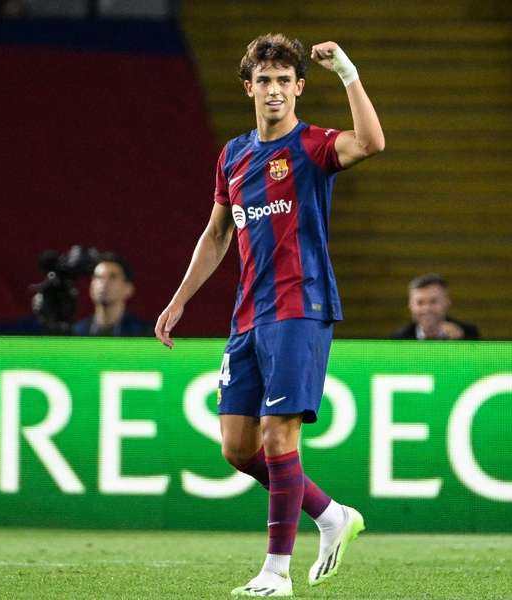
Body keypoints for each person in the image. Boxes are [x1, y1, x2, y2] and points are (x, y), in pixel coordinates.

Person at [155, 33, 384, 597]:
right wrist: (181, 298)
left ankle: (276, 573)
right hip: (248, 314)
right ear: (249, 87)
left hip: (300, 304)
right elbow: (216, 235)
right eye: (265, 80)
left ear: (299, 87)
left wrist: (349, 73)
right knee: (238, 448)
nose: (275, 89)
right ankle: (331, 515)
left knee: (280, 436)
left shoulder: (311, 146)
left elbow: (372, 143)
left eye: (285, 80)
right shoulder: (233, 155)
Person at [72, 253, 152, 336]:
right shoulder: (77, 332)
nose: (104, 283)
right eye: (99, 277)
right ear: (91, 286)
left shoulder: (144, 333)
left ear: (128, 288)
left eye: (112, 277)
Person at [392, 273, 480, 340]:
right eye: (420, 303)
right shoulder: (398, 339)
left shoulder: (468, 335)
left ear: (447, 302)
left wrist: (460, 343)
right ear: (410, 305)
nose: (427, 309)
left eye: (433, 302)